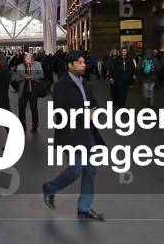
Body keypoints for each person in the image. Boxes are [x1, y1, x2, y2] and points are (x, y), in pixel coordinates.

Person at [42, 50, 105, 221]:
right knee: (77, 169)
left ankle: (84, 207)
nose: (84, 64)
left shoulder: (84, 83)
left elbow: (93, 102)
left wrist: (94, 109)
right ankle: (50, 187)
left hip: (87, 132)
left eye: (84, 62)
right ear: (70, 65)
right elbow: (61, 112)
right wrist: (85, 113)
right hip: (71, 134)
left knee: (90, 171)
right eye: (80, 62)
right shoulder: (62, 85)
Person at [13, 52, 45, 133]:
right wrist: (22, 77)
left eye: (29, 58)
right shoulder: (20, 66)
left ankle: (35, 126)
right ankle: (22, 126)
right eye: (26, 58)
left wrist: (32, 77)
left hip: (33, 90)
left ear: (32, 58)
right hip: (23, 90)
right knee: (21, 109)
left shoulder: (37, 64)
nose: (27, 59)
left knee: (33, 108)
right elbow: (15, 78)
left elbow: (41, 75)